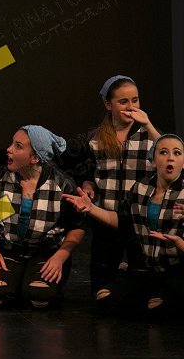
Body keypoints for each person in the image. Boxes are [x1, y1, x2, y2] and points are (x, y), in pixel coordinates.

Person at [63, 134, 184, 318]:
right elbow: (123, 221)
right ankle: (151, 294)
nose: (170, 158)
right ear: (153, 161)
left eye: (177, 153)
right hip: (148, 270)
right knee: (105, 299)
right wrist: (91, 208)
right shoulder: (141, 188)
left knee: (160, 309)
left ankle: (161, 298)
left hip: (178, 270)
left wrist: (178, 242)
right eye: (163, 152)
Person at [64, 75, 161, 298]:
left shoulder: (148, 135)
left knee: (142, 290)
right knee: (100, 291)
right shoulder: (95, 138)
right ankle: (117, 275)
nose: (131, 107)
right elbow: (88, 171)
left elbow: (171, 157)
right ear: (109, 104)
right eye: (123, 101)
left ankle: (127, 274)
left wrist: (149, 125)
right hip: (105, 217)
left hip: (138, 220)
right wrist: (88, 183)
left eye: (135, 100)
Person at [0, 126, 86, 309]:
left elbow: (76, 227)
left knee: (40, 298)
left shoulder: (61, 185)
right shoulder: (1, 180)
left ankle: (27, 281)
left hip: (47, 252)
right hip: (10, 251)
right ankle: (17, 279)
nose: (9, 149)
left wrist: (60, 257)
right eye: (12, 143)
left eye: (18, 146)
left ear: (35, 158)